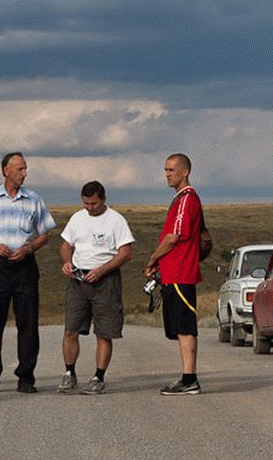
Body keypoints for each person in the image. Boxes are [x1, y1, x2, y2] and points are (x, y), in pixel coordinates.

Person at [0, 152, 56, 394]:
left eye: (25, 169)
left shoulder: (34, 199)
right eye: (19, 169)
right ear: (5, 170)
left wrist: (28, 248)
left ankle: (26, 377)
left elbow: (45, 233)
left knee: (28, 323)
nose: (24, 173)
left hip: (25, 267)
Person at [57, 181, 134, 395]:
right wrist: (67, 262)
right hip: (78, 280)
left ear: (103, 199)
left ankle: (98, 376)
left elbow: (126, 253)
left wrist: (101, 270)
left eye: (94, 203)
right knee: (71, 329)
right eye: (86, 204)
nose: (90, 208)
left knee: (104, 332)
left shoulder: (116, 220)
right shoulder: (77, 218)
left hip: (105, 281)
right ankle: (69, 373)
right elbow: (65, 245)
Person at [143, 153, 204, 395]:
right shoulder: (180, 199)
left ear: (185, 171)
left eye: (171, 170)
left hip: (181, 272)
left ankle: (189, 378)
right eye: (165, 170)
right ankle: (187, 376)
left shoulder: (186, 199)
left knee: (185, 327)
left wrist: (152, 258)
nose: (167, 174)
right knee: (179, 328)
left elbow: (173, 236)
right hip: (173, 272)